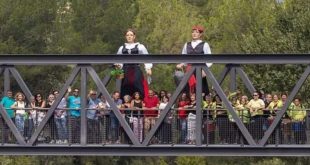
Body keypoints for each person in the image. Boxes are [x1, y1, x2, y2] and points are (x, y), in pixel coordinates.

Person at [116, 28, 152, 99]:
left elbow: (146, 57)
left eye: (131, 35)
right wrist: (118, 70)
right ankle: (125, 107)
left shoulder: (140, 46)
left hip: (135, 69)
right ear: (125, 37)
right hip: (125, 70)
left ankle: (139, 105)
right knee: (125, 88)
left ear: (134, 36)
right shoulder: (121, 48)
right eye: (127, 35)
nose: (129, 36)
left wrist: (148, 68)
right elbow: (118, 61)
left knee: (138, 87)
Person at [176, 25, 211, 95]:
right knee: (189, 90)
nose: (194, 34)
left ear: (200, 34)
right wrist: (181, 64)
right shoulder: (187, 45)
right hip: (189, 70)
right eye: (193, 32)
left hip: (200, 70)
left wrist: (205, 70)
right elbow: (184, 58)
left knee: (201, 90)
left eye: (197, 32)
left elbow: (210, 59)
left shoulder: (204, 44)